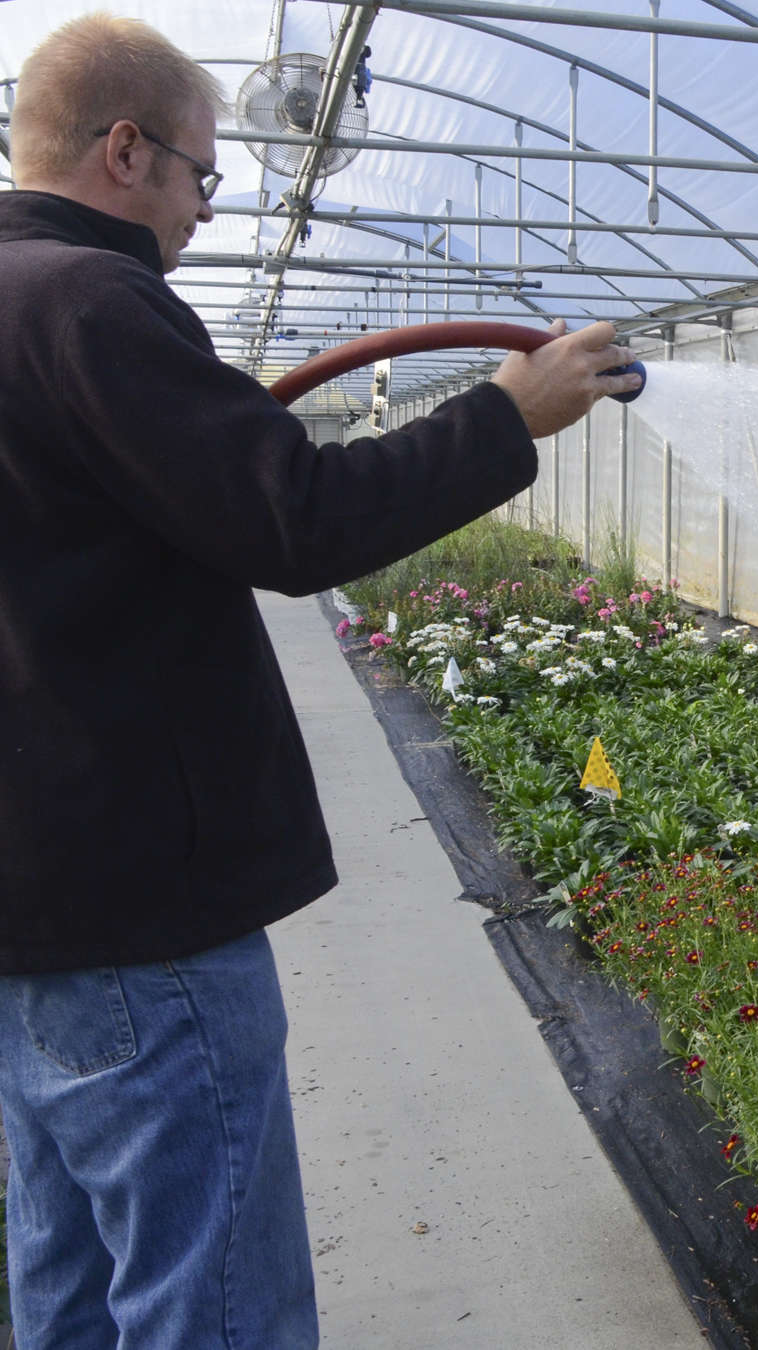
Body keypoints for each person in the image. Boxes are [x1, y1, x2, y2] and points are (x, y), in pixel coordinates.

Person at [0, 14, 640, 1348]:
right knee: (209, 1301)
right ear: (126, 151)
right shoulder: (90, 303)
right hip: (139, 917)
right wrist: (506, 415)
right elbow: (294, 517)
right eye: (199, 175)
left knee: (66, 1282)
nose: (202, 210)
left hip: (32, 910)